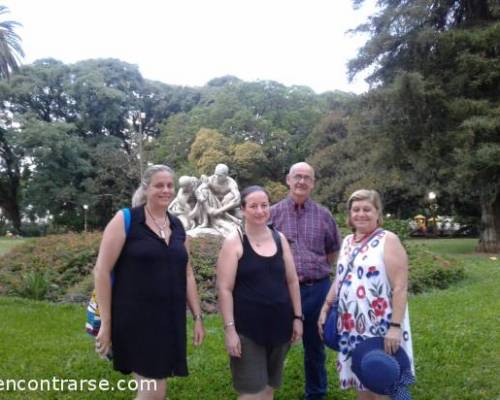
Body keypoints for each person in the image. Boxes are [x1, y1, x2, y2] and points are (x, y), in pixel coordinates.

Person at [94, 164, 205, 400]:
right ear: (146, 188)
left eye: (169, 185)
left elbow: (187, 273)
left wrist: (197, 317)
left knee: (154, 389)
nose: (166, 190)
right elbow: (102, 270)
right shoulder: (126, 219)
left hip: (169, 321)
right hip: (135, 321)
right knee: (154, 392)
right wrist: (106, 323)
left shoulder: (177, 225)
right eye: (159, 185)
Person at [318, 189, 415, 400]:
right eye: (356, 210)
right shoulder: (347, 242)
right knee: (362, 378)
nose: (361, 214)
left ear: (378, 212)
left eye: (367, 209)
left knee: (384, 381)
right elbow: (340, 277)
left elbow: (400, 287)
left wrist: (395, 327)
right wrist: (326, 307)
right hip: (352, 323)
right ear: (350, 214)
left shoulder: (388, 240)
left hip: (381, 324)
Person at [217, 185, 303, 400]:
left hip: (280, 326)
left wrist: (298, 318)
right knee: (251, 393)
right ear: (243, 210)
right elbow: (224, 289)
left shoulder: (279, 238)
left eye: (264, 205)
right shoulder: (234, 242)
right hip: (248, 330)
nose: (260, 211)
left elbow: (292, 281)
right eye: (253, 206)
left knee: (269, 389)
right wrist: (229, 330)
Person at [270, 162, 341, 400]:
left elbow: (332, 250)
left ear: (313, 183)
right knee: (277, 345)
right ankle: (264, 391)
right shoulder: (272, 214)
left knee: (315, 347)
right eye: (297, 177)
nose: (301, 182)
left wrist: (316, 270)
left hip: (317, 290)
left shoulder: (323, 215)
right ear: (288, 180)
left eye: (307, 178)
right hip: (283, 292)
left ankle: (316, 393)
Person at [195, 164, 241, 234]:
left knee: (231, 196)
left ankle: (225, 216)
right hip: (212, 204)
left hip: (226, 208)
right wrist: (201, 198)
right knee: (204, 191)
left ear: (226, 175)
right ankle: (206, 221)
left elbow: (237, 199)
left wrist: (218, 211)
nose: (216, 177)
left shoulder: (231, 183)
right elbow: (199, 190)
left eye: (219, 175)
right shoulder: (211, 179)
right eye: (215, 174)